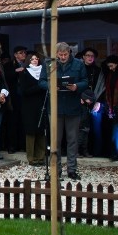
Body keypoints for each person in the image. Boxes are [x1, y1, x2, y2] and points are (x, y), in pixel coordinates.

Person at [40, 42, 88, 180]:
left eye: (65, 54)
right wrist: (51, 86)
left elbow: (85, 81)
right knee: (55, 140)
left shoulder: (78, 64)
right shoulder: (48, 63)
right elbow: (41, 81)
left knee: (72, 140)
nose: (62, 57)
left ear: (69, 53)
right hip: (55, 107)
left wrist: (77, 86)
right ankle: (56, 170)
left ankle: (72, 169)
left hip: (73, 107)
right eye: (60, 55)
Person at [19, 52, 47, 166]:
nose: (35, 60)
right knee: (31, 131)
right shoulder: (24, 72)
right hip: (29, 106)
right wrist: (39, 86)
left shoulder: (43, 73)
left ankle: (41, 157)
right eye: (32, 59)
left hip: (41, 105)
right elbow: (24, 91)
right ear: (28, 61)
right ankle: (31, 158)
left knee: (41, 131)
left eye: (36, 59)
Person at [2, 45, 27, 154]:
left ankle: (22, 144)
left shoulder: (27, 64)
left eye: (24, 53)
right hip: (13, 97)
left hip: (24, 97)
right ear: (15, 54)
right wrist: (16, 71)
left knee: (23, 121)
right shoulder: (9, 65)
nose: (23, 55)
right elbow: (5, 77)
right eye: (21, 53)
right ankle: (11, 146)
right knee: (12, 122)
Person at [78, 48, 102, 157]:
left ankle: (92, 150)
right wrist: (81, 97)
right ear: (83, 57)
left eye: (92, 56)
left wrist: (98, 101)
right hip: (81, 101)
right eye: (87, 55)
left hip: (95, 101)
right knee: (81, 127)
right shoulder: (78, 69)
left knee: (93, 128)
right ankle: (79, 150)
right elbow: (73, 84)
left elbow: (102, 86)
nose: (90, 57)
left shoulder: (98, 70)